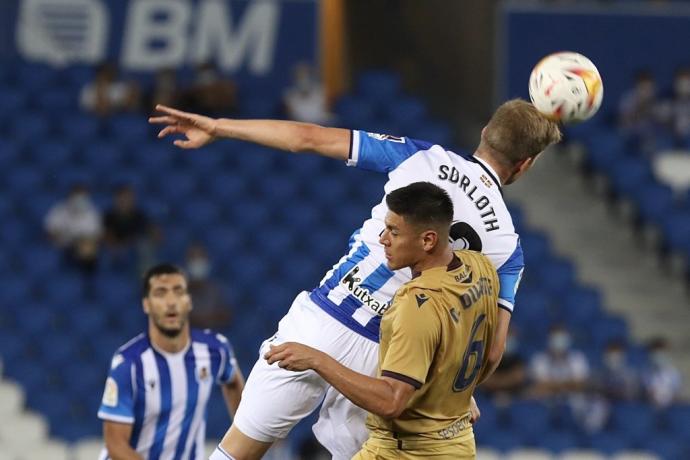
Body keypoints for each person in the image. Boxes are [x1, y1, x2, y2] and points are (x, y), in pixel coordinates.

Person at [149, 98, 561, 459]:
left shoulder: (421, 158)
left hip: (321, 320)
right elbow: (490, 352)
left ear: (485, 132)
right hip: (387, 362)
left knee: (237, 449)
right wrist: (459, 391)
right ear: (524, 165)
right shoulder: (508, 248)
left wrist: (219, 127)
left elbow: (307, 138)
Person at [261, 182, 499, 460]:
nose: (383, 238)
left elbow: (391, 401)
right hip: (457, 443)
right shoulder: (480, 268)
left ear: (428, 240)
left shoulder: (417, 305)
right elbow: (484, 350)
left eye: (394, 232)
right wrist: (456, 397)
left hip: (407, 451)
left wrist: (317, 359)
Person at [97, 263, 244, 459]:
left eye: (178, 291)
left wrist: (246, 434)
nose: (171, 301)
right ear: (146, 304)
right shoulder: (128, 364)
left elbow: (233, 382)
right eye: (160, 293)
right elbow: (115, 444)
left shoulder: (215, 350)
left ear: (189, 301)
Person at [44, 184, 103, 274]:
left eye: (83, 197)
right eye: (77, 196)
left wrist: (81, 241)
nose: (79, 200)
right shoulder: (59, 210)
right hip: (62, 245)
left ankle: (87, 276)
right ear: (70, 196)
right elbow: (49, 231)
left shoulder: (93, 214)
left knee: (88, 249)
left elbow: (96, 236)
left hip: (81, 247)